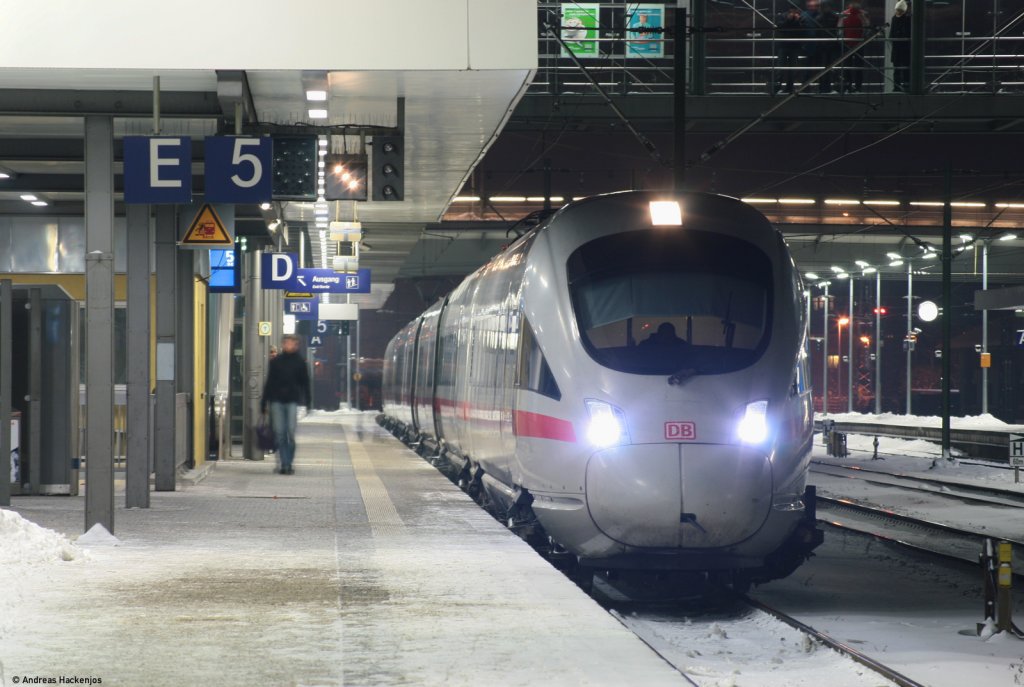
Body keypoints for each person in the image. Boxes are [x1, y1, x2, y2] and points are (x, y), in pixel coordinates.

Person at [260, 334, 311, 475]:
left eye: (292, 343)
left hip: (292, 401)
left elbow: (305, 383)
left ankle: (288, 461)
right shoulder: (276, 362)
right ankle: (285, 464)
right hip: (276, 401)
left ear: (296, 345)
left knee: (291, 433)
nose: (289, 345)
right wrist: (264, 402)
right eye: (287, 343)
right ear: (283, 344)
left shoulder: (300, 363)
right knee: (280, 434)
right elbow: (269, 383)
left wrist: (308, 401)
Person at [840, 0, 871, 92]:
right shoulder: (844, 14)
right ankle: (847, 86)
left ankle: (858, 87)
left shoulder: (864, 14)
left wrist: (862, 18)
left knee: (858, 67)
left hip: (859, 44)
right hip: (847, 43)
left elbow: (868, 28)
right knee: (846, 67)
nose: (855, 4)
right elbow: (839, 29)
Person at [775, 6, 804, 93]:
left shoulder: (801, 17)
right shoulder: (783, 16)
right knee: (780, 67)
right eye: (793, 9)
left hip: (794, 46)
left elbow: (802, 30)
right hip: (783, 45)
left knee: (793, 68)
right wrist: (788, 19)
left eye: (796, 10)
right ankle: (777, 87)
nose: (794, 11)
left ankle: (790, 87)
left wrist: (798, 21)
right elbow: (779, 27)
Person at [814, 1, 841, 93]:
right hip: (826, 46)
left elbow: (817, 33)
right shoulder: (831, 17)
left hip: (828, 46)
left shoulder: (820, 18)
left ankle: (825, 87)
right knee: (827, 68)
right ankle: (825, 87)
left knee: (826, 68)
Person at [890, 0, 911, 91]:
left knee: (901, 69)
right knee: (901, 69)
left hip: (900, 47)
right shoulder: (906, 19)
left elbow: (892, 33)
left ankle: (898, 87)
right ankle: (901, 86)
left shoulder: (897, 19)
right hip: (903, 48)